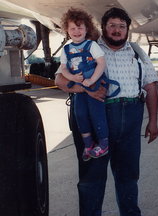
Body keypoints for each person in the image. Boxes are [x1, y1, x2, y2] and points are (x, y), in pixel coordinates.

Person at [55, 7, 158, 216]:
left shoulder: (137, 52)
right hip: (98, 118)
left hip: (131, 117)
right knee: (91, 178)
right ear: (103, 27)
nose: (117, 30)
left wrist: (153, 121)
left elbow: (150, 87)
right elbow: (59, 80)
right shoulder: (87, 48)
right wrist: (83, 88)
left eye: (122, 26)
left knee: (129, 176)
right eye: (112, 25)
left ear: (127, 30)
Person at [60, 7, 110, 161]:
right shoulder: (66, 49)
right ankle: (88, 145)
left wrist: (92, 80)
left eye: (79, 27)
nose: (76, 31)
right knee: (80, 115)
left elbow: (101, 63)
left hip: (94, 84)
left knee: (97, 115)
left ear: (86, 28)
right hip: (79, 88)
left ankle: (103, 144)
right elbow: (63, 68)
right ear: (67, 30)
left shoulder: (91, 45)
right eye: (72, 28)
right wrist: (72, 78)